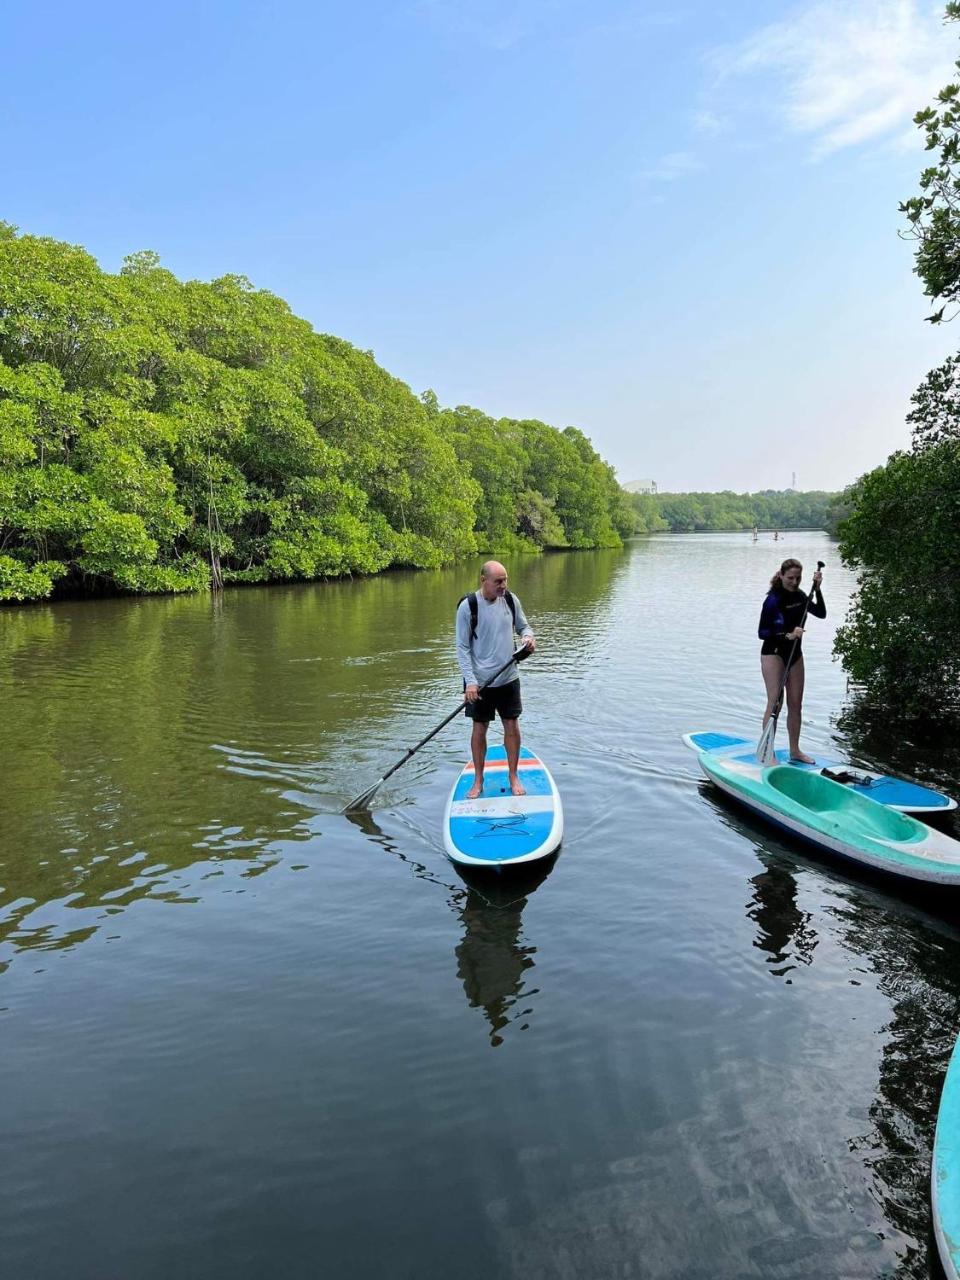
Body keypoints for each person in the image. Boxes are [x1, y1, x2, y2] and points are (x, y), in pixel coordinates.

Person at [456, 560, 535, 799]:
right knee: (479, 728)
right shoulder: (468, 607)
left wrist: (528, 638)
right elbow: (462, 647)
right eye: (498, 581)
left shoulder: (511, 600)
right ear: (483, 581)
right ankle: (478, 780)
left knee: (512, 725)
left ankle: (513, 776)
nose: (504, 586)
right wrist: (470, 682)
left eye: (506, 580)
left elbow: (524, 627)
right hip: (480, 682)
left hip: (509, 676)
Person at [757, 558, 825, 763]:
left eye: (798, 578)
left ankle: (795, 750)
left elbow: (821, 613)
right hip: (774, 652)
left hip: (795, 654)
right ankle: (767, 752)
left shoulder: (801, 595)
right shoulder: (773, 600)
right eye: (790, 578)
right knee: (776, 702)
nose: (794, 582)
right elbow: (762, 632)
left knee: (796, 704)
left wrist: (818, 589)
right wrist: (788, 634)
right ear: (781, 575)